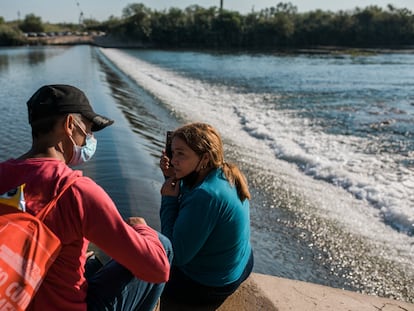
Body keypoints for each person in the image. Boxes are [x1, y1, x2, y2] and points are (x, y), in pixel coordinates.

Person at [0, 84, 173, 311]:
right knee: (162, 246)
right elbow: (157, 269)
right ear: (70, 125)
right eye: (88, 130)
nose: (89, 139)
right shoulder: (75, 190)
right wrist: (142, 229)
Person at [159, 122, 254, 305]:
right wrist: (173, 177)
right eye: (173, 152)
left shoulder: (206, 195)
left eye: (181, 154)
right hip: (240, 262)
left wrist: (168, 200)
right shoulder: (222, 173)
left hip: (212, 283)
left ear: (204, 158)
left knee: (153, 271)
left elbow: (176, 255)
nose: (173, 160)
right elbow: (192, 206)